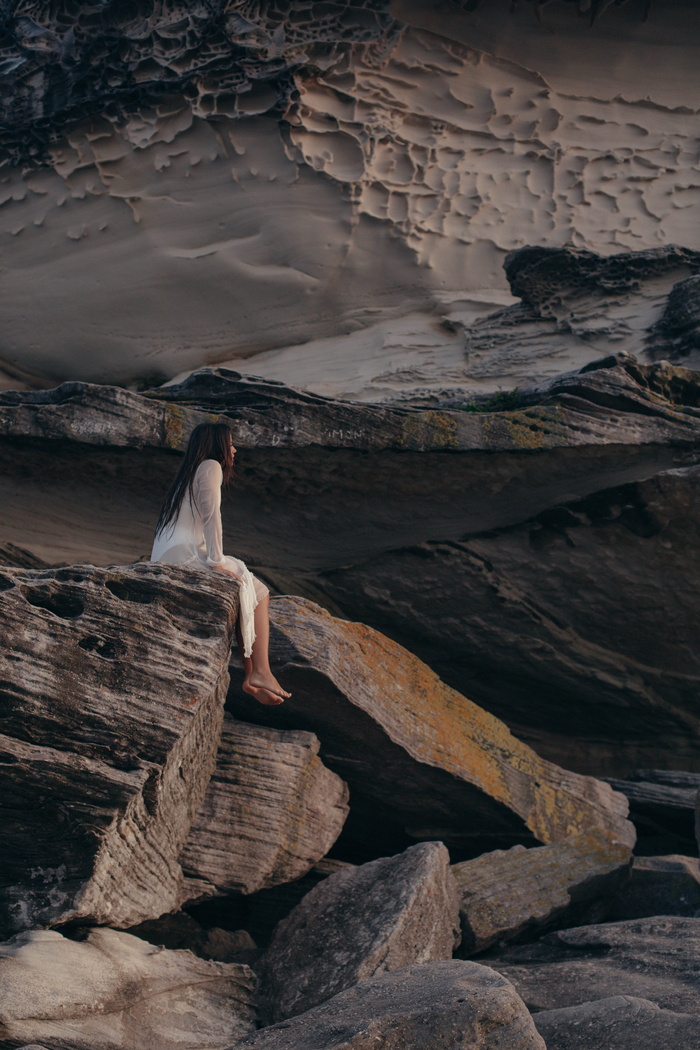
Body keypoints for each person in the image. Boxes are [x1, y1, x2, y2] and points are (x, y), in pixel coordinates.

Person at [151, 421, 290, 706]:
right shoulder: (210, 466)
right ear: (217, 445)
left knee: (248, 588)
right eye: (230, 444)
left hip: (169, 555)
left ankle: (254, 675)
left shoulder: (189, 472)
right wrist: (216, 562)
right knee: (258, 590)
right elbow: (212, 516)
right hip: (183, 555)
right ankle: (258, 672)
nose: (234, 450)